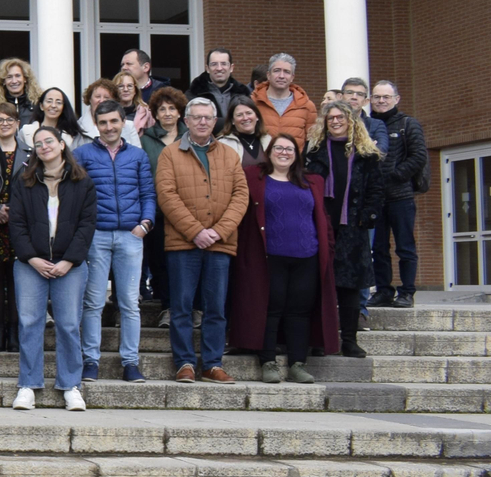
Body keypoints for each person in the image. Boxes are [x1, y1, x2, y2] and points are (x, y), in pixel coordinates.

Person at [156, 97, 251, 382]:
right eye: (196, 117)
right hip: (183, 244)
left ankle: (212, 363)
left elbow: (241, 196)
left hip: (220, 244)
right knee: (182, 306)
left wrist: (218, 232)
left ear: (214, 121)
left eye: (207, 118)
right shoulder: (170, 154)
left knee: (216, 307)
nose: (201, 122)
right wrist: (196, 231)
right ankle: (184, 363)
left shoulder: (229, 155)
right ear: (186, 121)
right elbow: (166, 196)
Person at [229, 132, 336, 383]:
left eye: (290, 149)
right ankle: (268, 362)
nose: (284, 152)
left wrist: (327, 248)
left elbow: (323, 219)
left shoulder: (312, 181)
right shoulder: (254, 177)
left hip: (307, 256)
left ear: (296, 154)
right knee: (270, 309)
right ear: (270, 151)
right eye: (279, 148)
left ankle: (297, 363)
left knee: (299, 311)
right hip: (269, 256)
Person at [7, 125, 98, 410]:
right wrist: (31, 258)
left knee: (69, 325)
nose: (44, 146)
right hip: (30, 264)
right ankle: (28, 385)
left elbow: (87, 226)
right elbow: (16, 225)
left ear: (61, 145)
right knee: (30, 323)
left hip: (68, 264)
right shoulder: (24, 181)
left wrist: (68, 261)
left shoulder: (83, 182)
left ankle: (71, 385)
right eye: (38, 143)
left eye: (49, 141)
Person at [74, 99, 155, 384]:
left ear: (123, 123)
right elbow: (75, 196)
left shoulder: (137, 156)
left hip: (131, 236)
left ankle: (131, 363)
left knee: (130, 304)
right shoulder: (82, 153)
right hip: (96, 236)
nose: (109, 127)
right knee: (94, 302)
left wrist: (145, 224)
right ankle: (90, 362)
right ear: (96, 125)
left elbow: (148, 192)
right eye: (103, 122)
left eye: (114, 121)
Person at [305, 100, 384, 356]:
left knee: (350, 288)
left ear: (351, 121)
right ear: (325, 123)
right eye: (331, 118)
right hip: (320, 227)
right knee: (318, 285)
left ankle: (349, 340)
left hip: (353, 228)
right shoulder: (315, 149)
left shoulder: (366, 153)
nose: (336, 121)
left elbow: (376, 190)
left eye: (341, 117)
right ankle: (318, 339)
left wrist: (367, 217)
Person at [369, 80, 426, 307]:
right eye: (377, 97)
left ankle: (407, 293)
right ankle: (383, 291)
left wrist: (393, 176)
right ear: (371, 99)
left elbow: (418, 156)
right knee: (378, 248)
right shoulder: (367, 125)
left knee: (405, 247)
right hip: (374, 198)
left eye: (386, 97)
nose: (381, 101)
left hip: (400, 196)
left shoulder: (407, 124)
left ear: (396, 99)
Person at [140, 86, 188, 326]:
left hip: (187, 210)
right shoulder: (145, 140)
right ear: (155, 114)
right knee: (160, 261)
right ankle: (167, 308)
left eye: (172, 108)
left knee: (184, 262)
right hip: (157, 210)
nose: (168, 113)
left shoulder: (191, 137)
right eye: (162, 109)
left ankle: (188, 308)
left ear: (180, 113)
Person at [0, 102, 28, 357]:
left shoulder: (31, 153)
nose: (5, 124)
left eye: (9, 120)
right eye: (0, 120)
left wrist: (14, 211)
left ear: (17, 123)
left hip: (19, 224)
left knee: (16, 279)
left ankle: (13, 334)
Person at [253, 53, 316, 145]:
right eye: (277, 71)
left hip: (295, 159)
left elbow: (311, 142)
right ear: (268, 75)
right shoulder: (253, 102)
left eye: (287, 72)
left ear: (292, 77)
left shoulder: (307, 106)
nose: (281, 76)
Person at [187, 48, 248, 124]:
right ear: (207, 68)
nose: (219, 68)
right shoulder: (193, 94)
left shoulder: (244, 93)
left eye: (224, 64)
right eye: (214, 64)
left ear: (231, 68)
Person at [218, 98, 269, 166]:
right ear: (232, 121)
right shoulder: (223, 145)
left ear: (257, 116)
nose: (245, 118)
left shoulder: (268, 140)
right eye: (239, 115)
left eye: (249, 113)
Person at [0, 58, 39, 124]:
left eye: (18, 76)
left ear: (25, 79)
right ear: (3, 81)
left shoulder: (37, 104)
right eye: (9, 77)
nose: (14, 81)